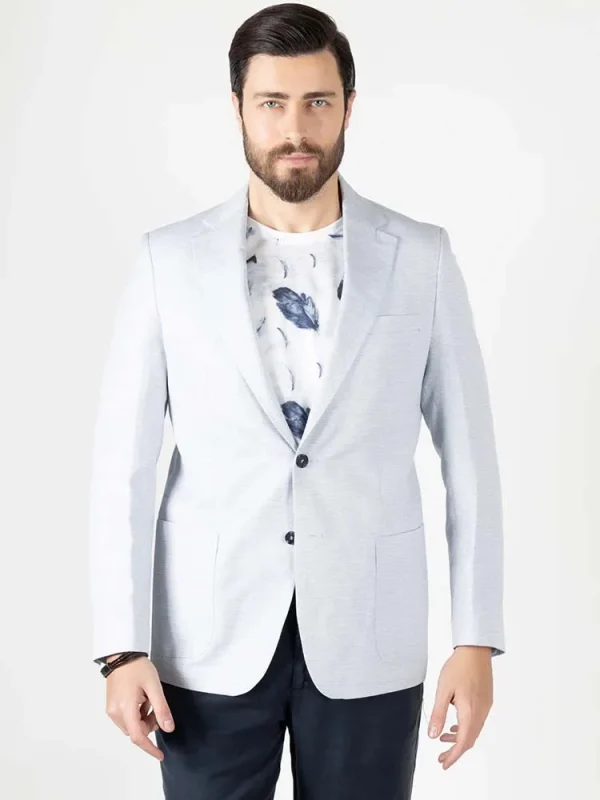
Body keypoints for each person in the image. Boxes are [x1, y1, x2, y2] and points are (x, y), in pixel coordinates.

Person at [88, 3, 505, 798]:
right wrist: (120, 646)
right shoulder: (168, 263)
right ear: (238, 108)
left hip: (369, 633)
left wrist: (476, 638)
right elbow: (123, 470)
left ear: (349, 105)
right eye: (271, 103)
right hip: (206, 640)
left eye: (317, 101)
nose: (295, 128)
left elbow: (471, 458)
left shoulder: (421, 257)